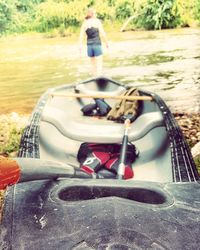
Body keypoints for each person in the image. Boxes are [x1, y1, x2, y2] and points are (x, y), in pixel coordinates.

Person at [79, 8, 109, 76]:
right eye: (95, 13)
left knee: (93, 66)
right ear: (92, 14)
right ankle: (99, 78)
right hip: (97, 44)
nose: (96, 14)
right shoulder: (97, 21)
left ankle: (94, 78)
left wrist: (80, 46)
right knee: (99, 65)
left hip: (89, 46)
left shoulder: (84, 23)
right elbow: (103, 33)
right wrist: (106, 43)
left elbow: (81, 36)